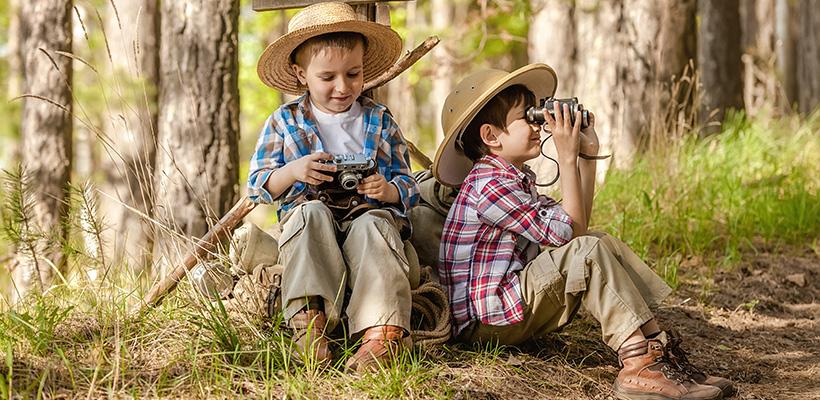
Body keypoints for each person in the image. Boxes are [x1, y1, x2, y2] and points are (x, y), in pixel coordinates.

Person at [434, 64, 735, 399]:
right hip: (487, 323)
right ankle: (638, 365)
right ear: (491, 136)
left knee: (598, 241)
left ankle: (657, 350)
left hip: (502, 309)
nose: (538, 125)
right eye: (527, 117)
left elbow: (578, 230)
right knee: (588, 249)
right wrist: (566, 156)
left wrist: (586, 156)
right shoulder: (488, 185)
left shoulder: (510, 178)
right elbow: (570, 237)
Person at [248, 2, 419, 372]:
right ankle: (308, 324)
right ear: (301, 74)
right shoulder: (284, 122)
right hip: (312, 220)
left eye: (353, 74)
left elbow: (407, 182)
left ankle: (382, 334)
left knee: (376, 225)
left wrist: (387, 190)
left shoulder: (378, 119)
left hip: (365, 216)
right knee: (308, 214)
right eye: (328, 78)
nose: (343, 88)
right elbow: (258, 187)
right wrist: (294, 171)